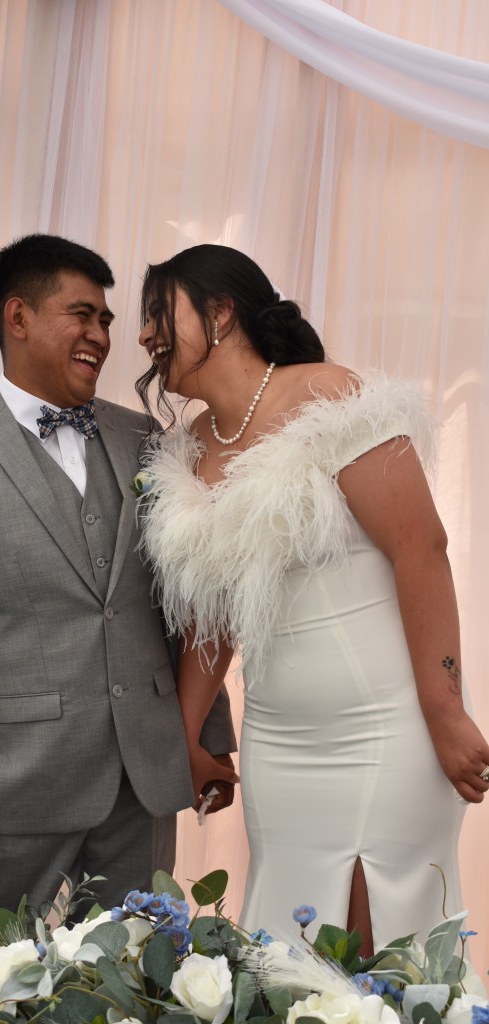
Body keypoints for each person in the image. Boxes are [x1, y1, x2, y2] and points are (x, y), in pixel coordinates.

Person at [135, 243, 489, 954]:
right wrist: (183, 737)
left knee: (374, 952)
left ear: (220, 313)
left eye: (157, 312)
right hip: (278, 744)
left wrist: (444, 710)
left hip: (386, 730)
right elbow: (212, 615)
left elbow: (420, 549)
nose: (144, 335)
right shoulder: (192, 444)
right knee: (288, 956)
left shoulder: (328, 394)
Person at [0, 233, 237, 931]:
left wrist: (208, 733)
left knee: (139, 967)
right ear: (17, 317)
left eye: (105, 319)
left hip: (142, 779)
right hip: (18, 785)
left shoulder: (146, 439)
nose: (102, 336)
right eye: (82, 315)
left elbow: (185, 599)